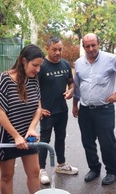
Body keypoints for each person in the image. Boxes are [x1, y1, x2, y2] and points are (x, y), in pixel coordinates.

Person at [0, 44, 44, 194]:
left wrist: (32, 128)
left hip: (27, 136)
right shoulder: (4, 78)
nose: (38, 69)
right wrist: (16, 136)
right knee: (7, 175)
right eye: (35, 65)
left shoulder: (33, 79)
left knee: (34, 172)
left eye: (40, 66)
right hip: (7, 136)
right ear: (23, 61)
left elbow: (38, 108)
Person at [72, 33, 116, 185]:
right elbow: (78, 86)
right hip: (85, 110)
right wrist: (75, 105)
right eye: (87, 46)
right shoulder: (79, 63)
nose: (91, 48)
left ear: (99, 43)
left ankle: (112, 172)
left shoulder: (110, 59)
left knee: (107, 143)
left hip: (104, 110)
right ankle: (94, 168)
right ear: (83, 47)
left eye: (93, 45)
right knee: (88, 142)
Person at [37, 36, 78, 185]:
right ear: (47, 48)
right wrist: (39, 108)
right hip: (47, 112)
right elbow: (34, 90)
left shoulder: (66, 65)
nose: (58, 52)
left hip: (62, 110)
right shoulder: (41, 66)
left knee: (61, 138)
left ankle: (61, 165)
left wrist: (71, 91)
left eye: (60, 49)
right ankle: (41, 169)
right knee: (44, 140)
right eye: (54, 49)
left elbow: (71, 83)